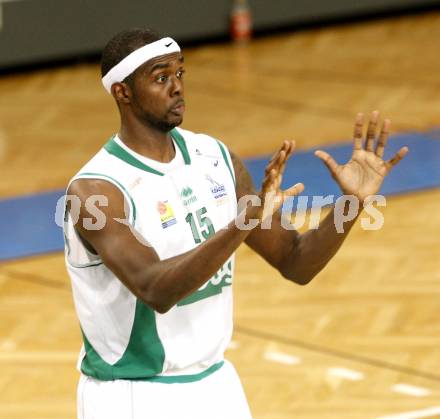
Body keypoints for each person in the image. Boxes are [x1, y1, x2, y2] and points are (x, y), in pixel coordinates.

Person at [63, 28, 408, 419]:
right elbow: (155, 288)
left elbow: (296, 262)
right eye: (161, 78)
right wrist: (244, 222)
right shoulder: (96, 190)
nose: (176, 87)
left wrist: (352, 203)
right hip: (132, 395)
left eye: (180, 73)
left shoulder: (215, 157)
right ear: (122, 92)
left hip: (217, 386)